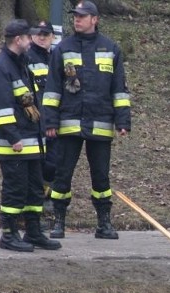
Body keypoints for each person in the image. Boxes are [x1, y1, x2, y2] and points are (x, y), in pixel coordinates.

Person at [42, 0, 131, 239]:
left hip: (101, 123)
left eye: (82, 16)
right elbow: (52, 89)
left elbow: (119, 89)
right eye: (75, 16)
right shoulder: (63, 48)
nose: (77, 19)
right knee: (63, 174)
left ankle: (104, 223)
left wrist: (123, 121)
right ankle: (58, 222)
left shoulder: (110, 48)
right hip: (68, 123)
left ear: (95, 19)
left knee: (101, 176)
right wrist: (50, 122)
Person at [0, 19, 61, 252]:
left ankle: (33, 232)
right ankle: (8, 235)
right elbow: (1, 108)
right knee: (15, 190)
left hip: (31, 141)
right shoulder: (1, 67)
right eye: (28, 37)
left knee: (33, 190)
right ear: (18, 40)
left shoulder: (21, 63)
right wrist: (13, 137)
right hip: (15, 144)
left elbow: (31, 102)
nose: (32, 40)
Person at [26, 20, 57, 198]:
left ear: (53, 37)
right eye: (38, 34)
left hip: (54, 121)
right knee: (38, 164)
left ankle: (46, 195)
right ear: (31, 36)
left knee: (53, 164)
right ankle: (38, 198)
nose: (42, 37)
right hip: (36, 122)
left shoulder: (56, 57)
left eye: (45, 34)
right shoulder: (27, 58)